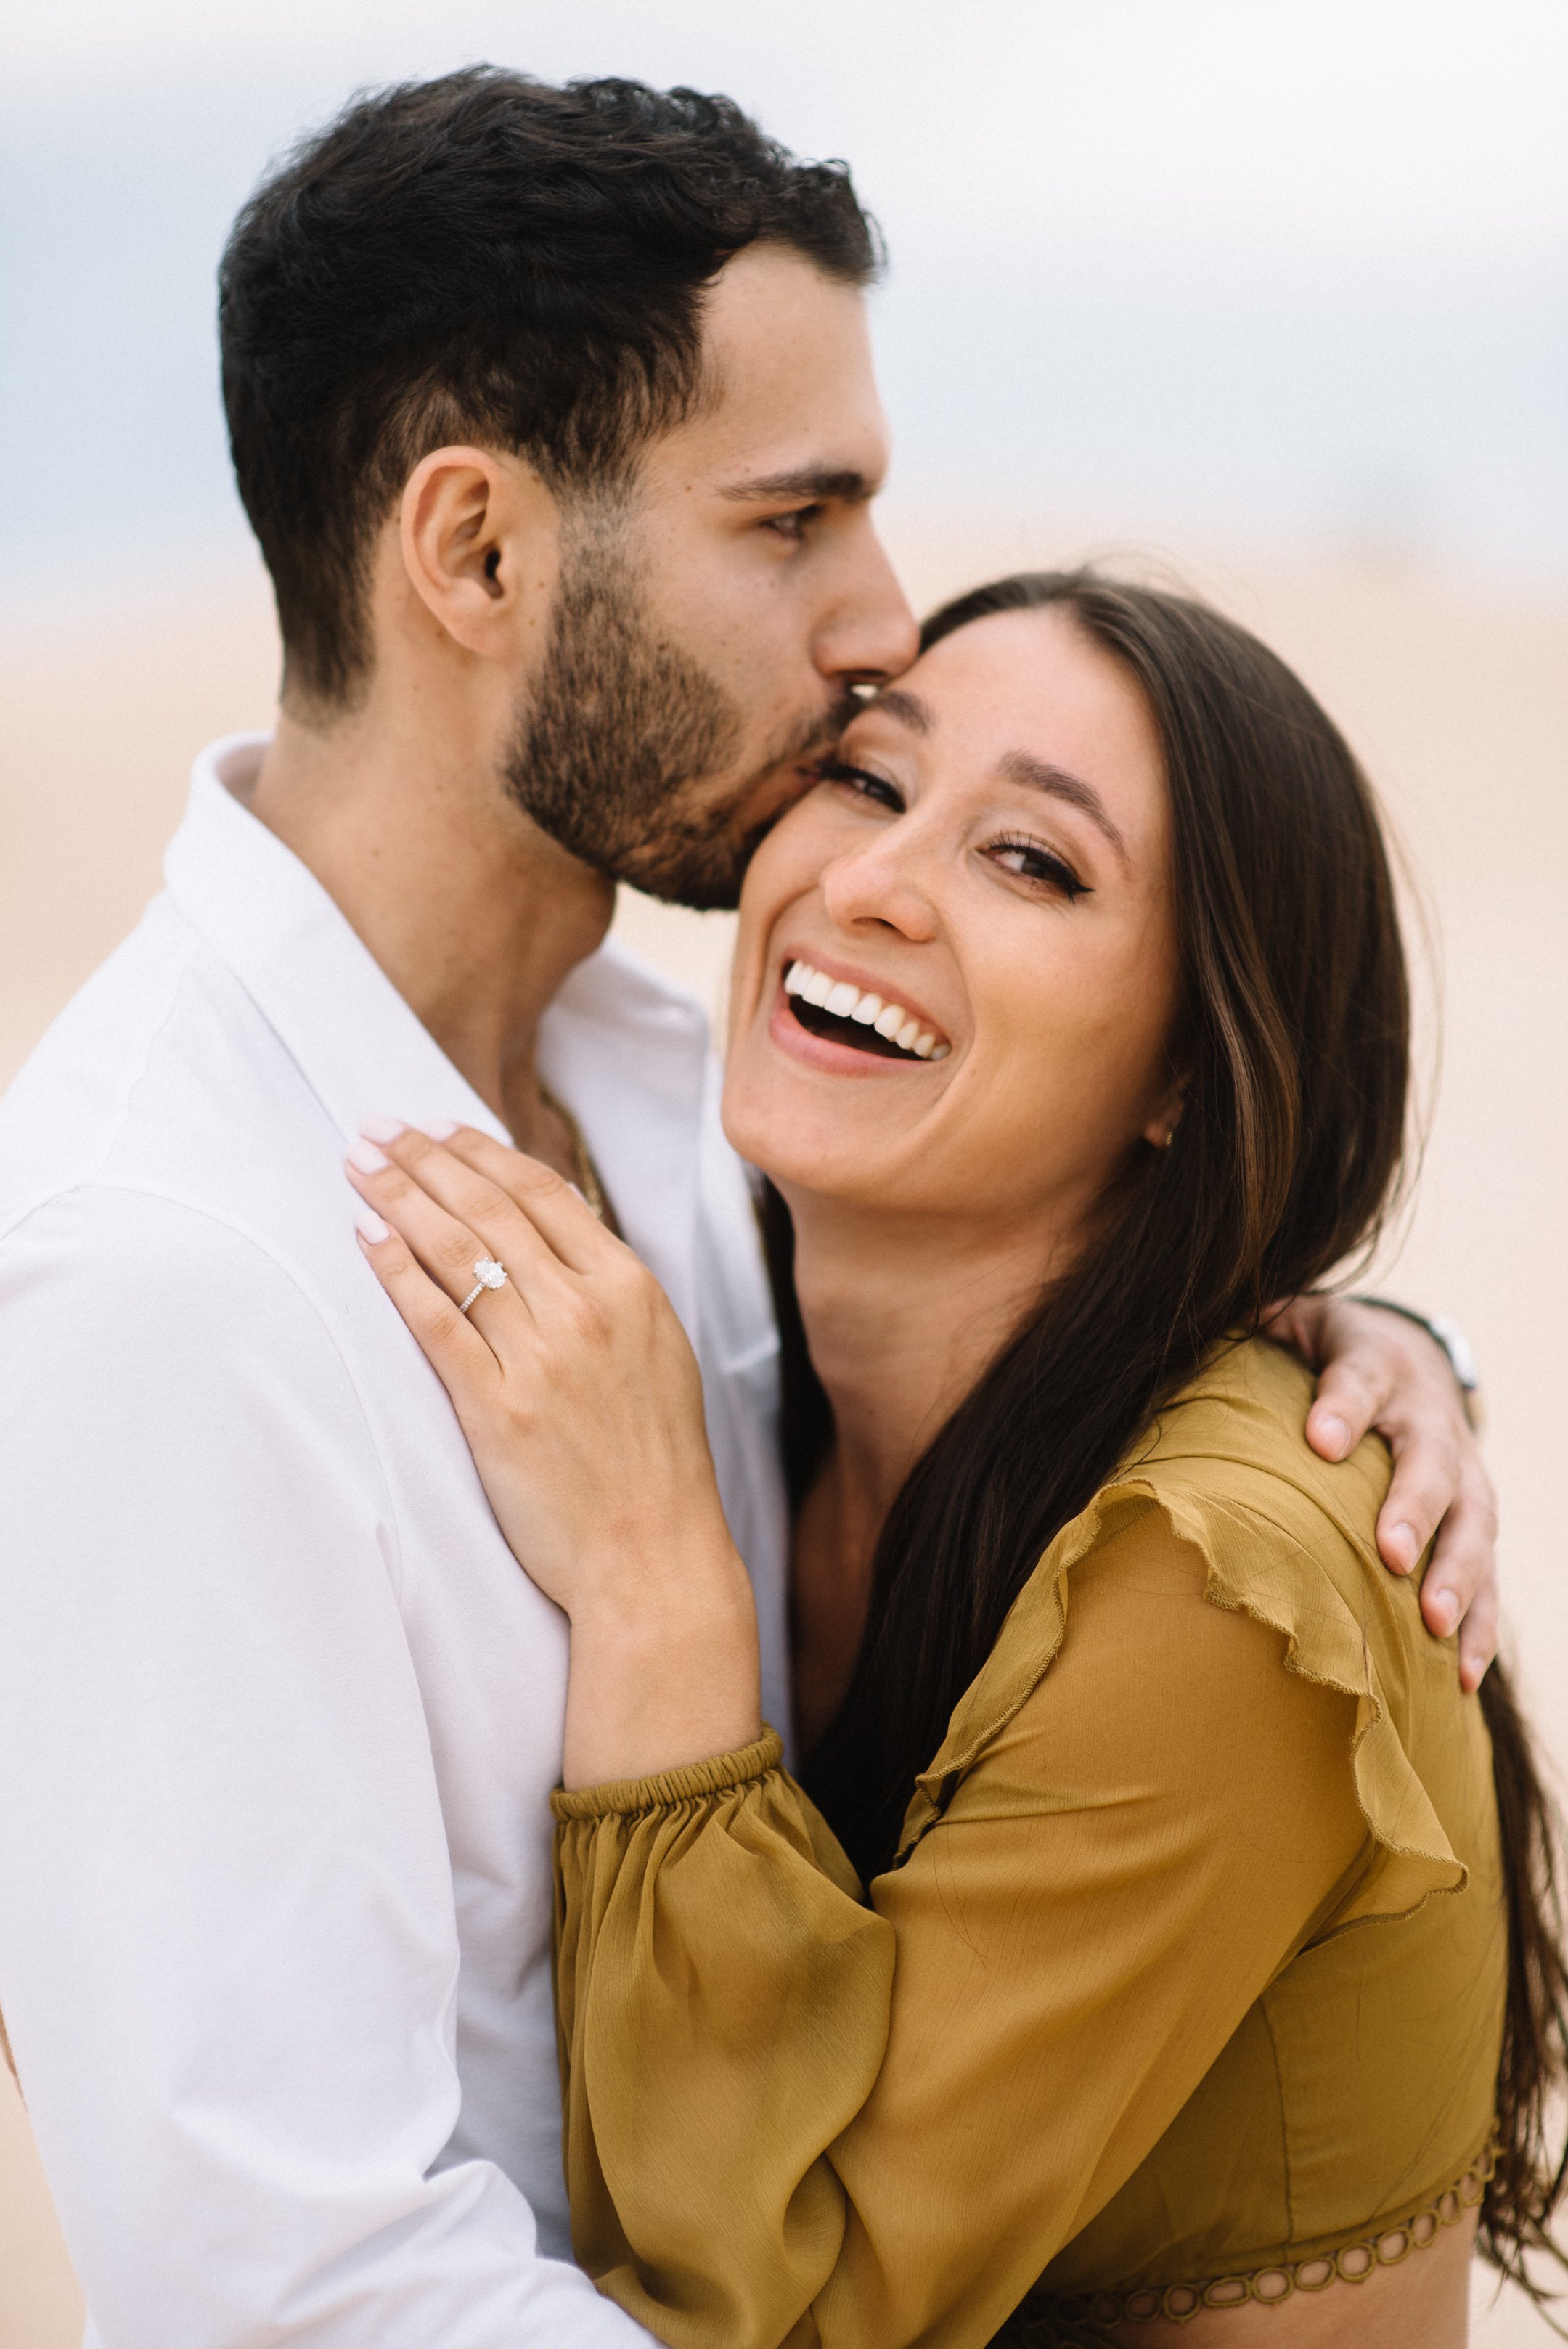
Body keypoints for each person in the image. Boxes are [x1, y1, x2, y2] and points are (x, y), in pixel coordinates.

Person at [0, 68, 1493, 2347]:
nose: (879, 624)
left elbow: (1052, 1318)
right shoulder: (168, 1271)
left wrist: (1351, 1350)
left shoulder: (679, 1104)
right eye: (796, 520)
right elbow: (292, 2297)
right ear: (481, 553)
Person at [353, 572, 1567, 2348]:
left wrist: (655, 1576)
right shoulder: (768, 1362)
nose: (867, 882)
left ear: (1188, 1069)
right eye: (867, 780)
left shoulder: (1219, 1580)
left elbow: (797, 2302)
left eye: (1034, 863)